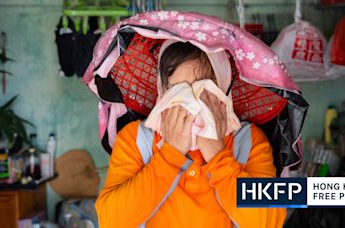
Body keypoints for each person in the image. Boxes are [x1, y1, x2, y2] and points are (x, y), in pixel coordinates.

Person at [95, 41, 287, 227]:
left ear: (222, 86)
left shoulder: (249, 140)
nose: (190, 101)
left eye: (201, 87)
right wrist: (170, 153)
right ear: (163, 92)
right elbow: (111, 221)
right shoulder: (136, 139)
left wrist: (217, 154)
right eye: (177, 89)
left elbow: (269, 222)